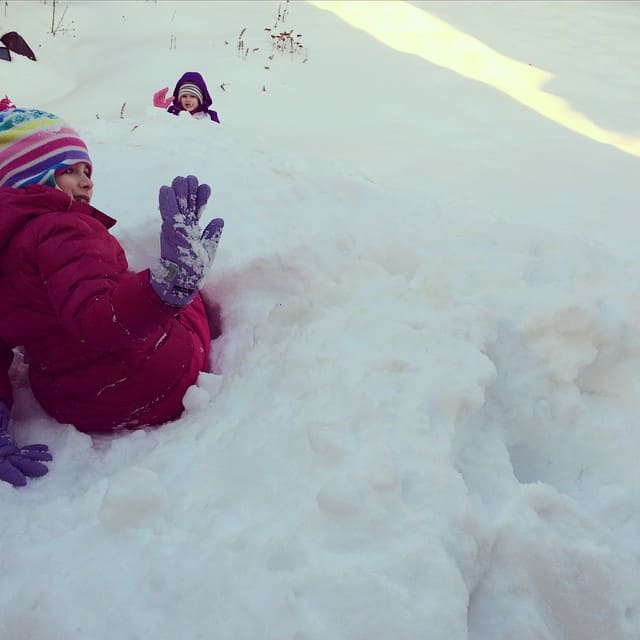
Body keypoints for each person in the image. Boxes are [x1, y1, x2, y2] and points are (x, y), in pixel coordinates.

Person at [0, 107, 224, 487]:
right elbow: (98, 321)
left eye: (87, 171)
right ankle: (200, 309)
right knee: (188, 305)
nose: (86, 181)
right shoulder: (63, 228)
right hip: (151, 380)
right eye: (68, 170)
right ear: (26, 177)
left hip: (65, 399)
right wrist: (165, 291)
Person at [153, 71, 220, 123]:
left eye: (192, 96)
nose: (188, 99)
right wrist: (159, 111)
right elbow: (159, 130)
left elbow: (219, 136)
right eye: (184, 96)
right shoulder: (172, 113)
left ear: (200, 99)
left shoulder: (210, 116)